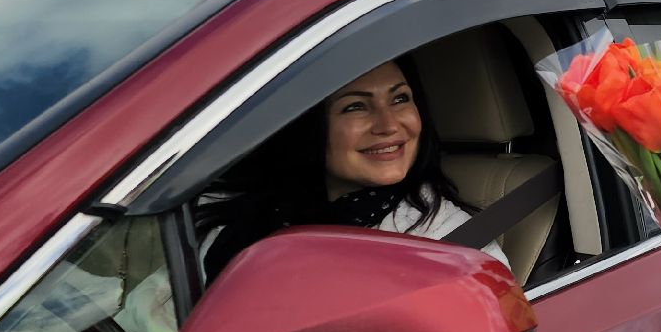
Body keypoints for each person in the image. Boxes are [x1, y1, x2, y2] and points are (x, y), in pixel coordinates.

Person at [200, 56, 504, 277]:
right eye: (355, 106)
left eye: (399, 98)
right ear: (306, 126)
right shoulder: (225, 211)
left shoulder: (457, 248)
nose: (388, 125)